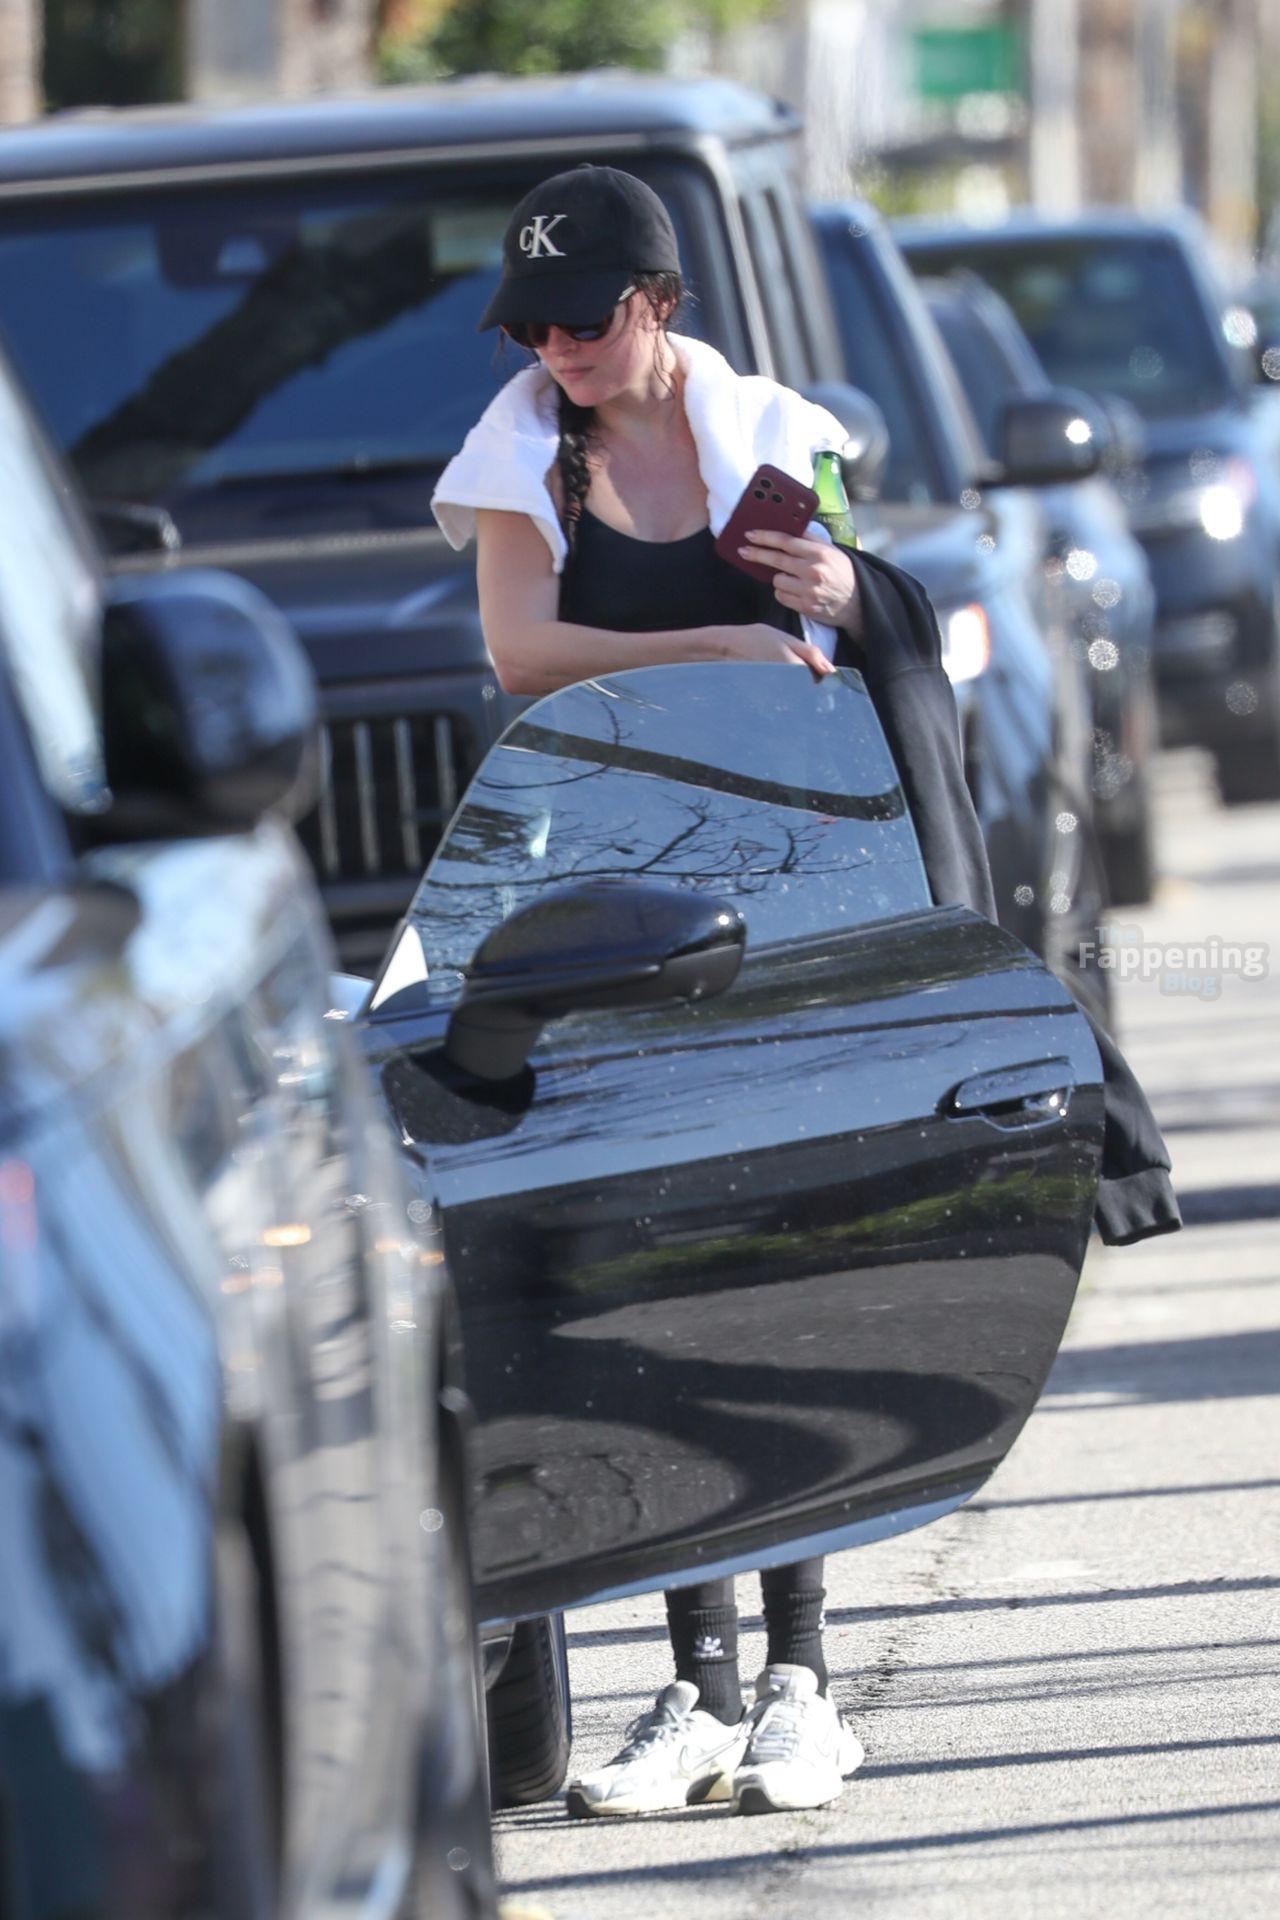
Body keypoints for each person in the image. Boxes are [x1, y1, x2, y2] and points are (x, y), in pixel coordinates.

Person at [431, 164, 1182, 1820]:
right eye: (531, 327)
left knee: (791, 1261)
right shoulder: (519, 453)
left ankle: (801, 1685)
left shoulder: (779, 434)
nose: (554, 350)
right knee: (663, 1267)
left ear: (658, 303)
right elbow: (521, 654)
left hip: (799, 891)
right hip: (622, 902)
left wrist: (842, 595)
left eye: (581, 319)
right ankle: (694, 1690)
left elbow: (851, 625)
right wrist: (711, 650)